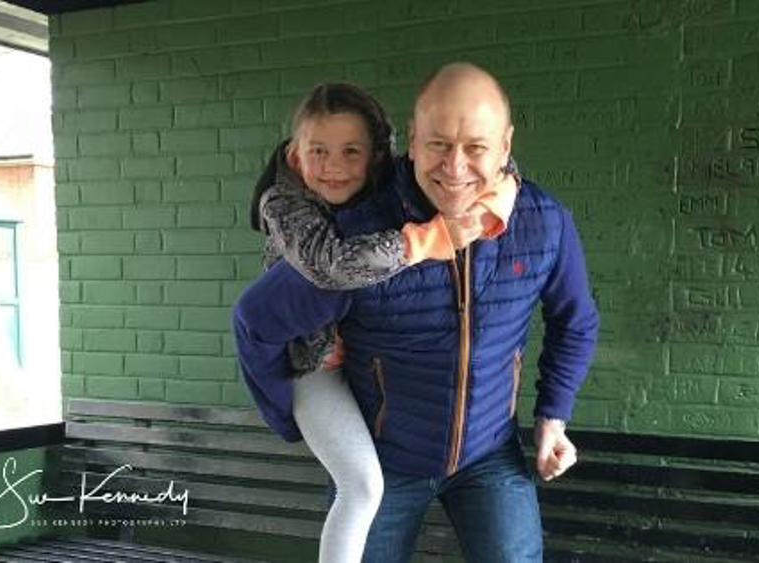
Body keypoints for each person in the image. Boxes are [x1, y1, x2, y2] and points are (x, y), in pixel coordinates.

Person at [233, 63, 599, 562]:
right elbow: (258, 319)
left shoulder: (542, 221)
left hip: (490, 455)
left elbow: (575, 321)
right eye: (438, 145)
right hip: (386, 463)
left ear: (505, 146)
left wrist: (553, 417)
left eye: (475, 147)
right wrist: (284, 411)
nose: (454, 168)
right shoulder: (357, 234)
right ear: (411, 139)